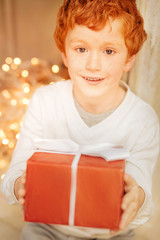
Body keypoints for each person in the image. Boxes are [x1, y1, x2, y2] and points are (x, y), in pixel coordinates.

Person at [1, 0, 159, 239]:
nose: (93, 65)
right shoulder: (45, 101)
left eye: (109, 51)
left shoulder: (142, 119)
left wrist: (137, 196)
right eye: (81, 49)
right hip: (48, 228)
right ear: (64, 53)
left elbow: (143, 195)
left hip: (113, 233)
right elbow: (14, 175)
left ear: (129, 58)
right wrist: (18, 185)